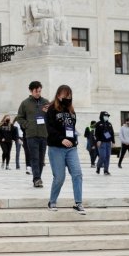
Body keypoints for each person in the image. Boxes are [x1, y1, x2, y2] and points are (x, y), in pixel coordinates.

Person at [45, 85, 86, 213]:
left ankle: (78, 203)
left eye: (69, 96)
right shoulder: (51, 109)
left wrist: (73, 138)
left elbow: (72, 128)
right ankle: (52, 201)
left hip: (71, 148)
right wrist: (61, 139)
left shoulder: (71, 110)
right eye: (65, 95)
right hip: (56, 147)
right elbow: (50, 129)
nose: (67, 98)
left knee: (77, 174)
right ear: (58, 95)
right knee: (59, 177)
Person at [15, 81, 49, 188]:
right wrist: (27, 125)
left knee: (41, 159)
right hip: (31, 135)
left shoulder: (46, 102)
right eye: (36, 91)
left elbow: (51, 117)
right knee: (34, 157)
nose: (38, 93)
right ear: (31, 90)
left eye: (40, 91)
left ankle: (38, 177)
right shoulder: (25, 103)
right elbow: (19, 117)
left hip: (43, 134)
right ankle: (37, 179)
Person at [93, 112, 114, 176]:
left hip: (108, 142)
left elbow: (112, 133)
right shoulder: (98, 124)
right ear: (102, 116)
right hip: (101, 142)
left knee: (107, 156)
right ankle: (98, 166)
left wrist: (113, 141)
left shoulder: (109, 124)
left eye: (107, 116)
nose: (106, 117)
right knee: (102, 156)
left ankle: (106, 170)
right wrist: (98, 140)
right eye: (105, 115)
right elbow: (96, 133)